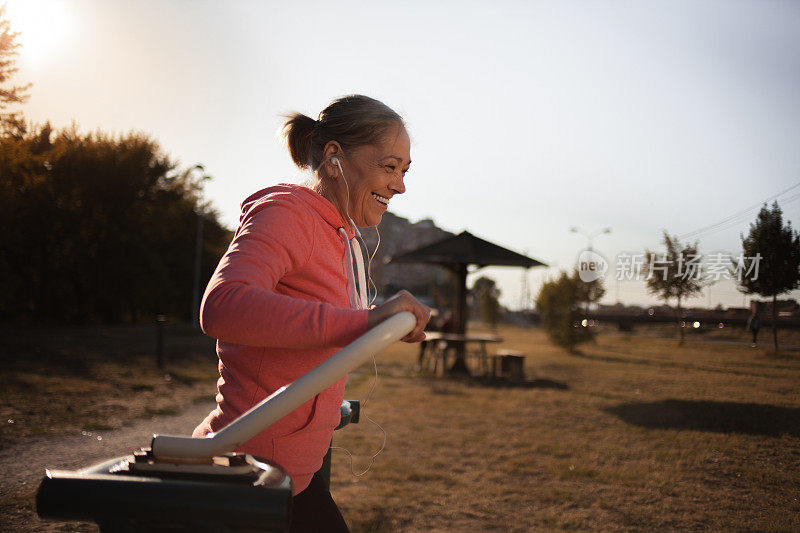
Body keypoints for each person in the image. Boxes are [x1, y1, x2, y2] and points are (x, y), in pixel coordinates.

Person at [191, 95, 431, 532]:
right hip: (251, 478)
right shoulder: (287, 212)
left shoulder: (341, 233)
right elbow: (223, 306)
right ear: (334, 155)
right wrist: (369, 321)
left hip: (296, 477)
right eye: (389, 166)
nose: (399, 186)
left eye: (404, 171)